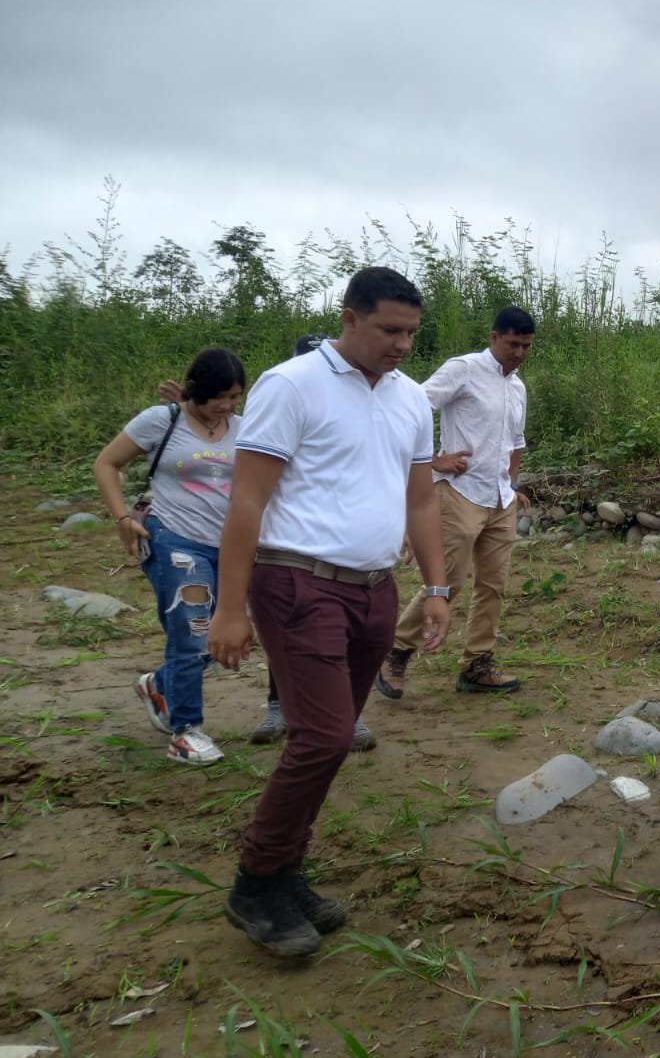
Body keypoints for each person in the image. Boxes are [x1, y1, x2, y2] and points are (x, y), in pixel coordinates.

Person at [207, 266, 452, 957]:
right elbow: (248, 498)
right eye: (389, 330)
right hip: (297, 580)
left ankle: (287, 872)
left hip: (375, 588)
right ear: (349, 318)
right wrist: (230, 608)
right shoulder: (292, 385)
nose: (402, 344)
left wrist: (436, 589)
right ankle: (256, 882)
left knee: (332, 737)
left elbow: (421, 500)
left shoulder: (410, 399)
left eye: (412, 333)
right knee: (322, 736)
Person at [158, 336, 381, 753]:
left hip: (342, 544)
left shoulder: (358, 409)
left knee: (338, 633)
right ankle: (275, 707)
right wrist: (187, 407)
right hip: (273, 542)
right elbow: (250, 484)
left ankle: (343, 714)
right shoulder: (281, 404)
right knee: (279, 630)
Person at [93, 348, 246, 766]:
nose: (227, 406)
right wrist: (122, 517)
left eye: (235, 397)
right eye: (219, 396)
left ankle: (159, 684)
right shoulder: (161, 420)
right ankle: (185, 731)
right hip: (176, 539)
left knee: (222, 637)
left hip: (230, 545)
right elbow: (106, 463)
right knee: (192, 631)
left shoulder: (243, 428)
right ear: (196, 389)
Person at [377, 306, 535, 697]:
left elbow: (515, 442)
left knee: (493, 585)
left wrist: (512, 484)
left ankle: (477, 663)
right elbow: (410, 408)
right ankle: (397, 651)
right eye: (513, 344)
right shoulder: (463, 370)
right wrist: (433, 460)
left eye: (526, 346)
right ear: (494, 337)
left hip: (499, 498)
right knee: (446, 581)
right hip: (460, 492)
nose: (519, 353)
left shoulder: (517, 387)